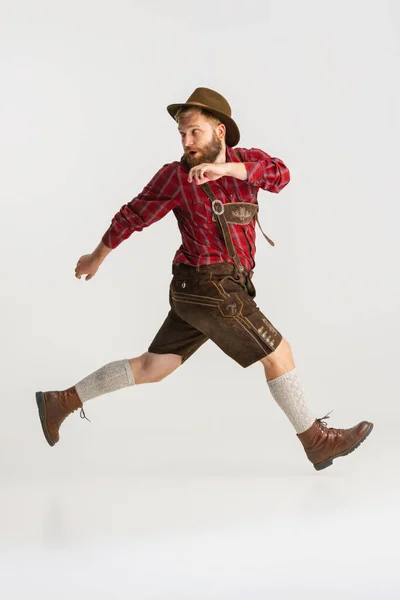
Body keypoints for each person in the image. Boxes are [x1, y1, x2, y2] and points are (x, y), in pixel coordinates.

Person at [36, 87, 373, 470]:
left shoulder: (247, 164)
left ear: (220, 132)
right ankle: (316, 442)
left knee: (153, 367)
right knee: (279, 355)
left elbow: (282, 175)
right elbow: (133, 215)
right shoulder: (176, 176)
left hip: (216, 287)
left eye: (194, 132)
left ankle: (60, 401)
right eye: (182, 134)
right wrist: (97, 256)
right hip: (206, 285)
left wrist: (226, 169)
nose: (187, 142)